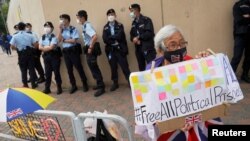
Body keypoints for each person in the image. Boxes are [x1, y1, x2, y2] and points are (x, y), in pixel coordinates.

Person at [135, 25, 223, 141]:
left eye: (182, 43)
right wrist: (173, 122)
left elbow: (207, 96)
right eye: (173, 45)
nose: (179, 48)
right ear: (160, 50)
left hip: (196, 121)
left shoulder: (192, 63)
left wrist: (206, 64)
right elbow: (148, 110)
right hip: (168, 128)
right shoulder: (150, 74)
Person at [76, 10, 105, 97]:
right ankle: (98, 83)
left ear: (82, 17)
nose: (77, 20)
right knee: (92, 68)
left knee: (94, 68)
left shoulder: (87, 26)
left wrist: (91, 47)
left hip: (91, 50)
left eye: (78, 18)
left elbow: (95, 36)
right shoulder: (85, 26)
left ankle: (101, 87)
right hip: (89, 49)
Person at [58, 14, 89, 94]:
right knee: (69, 70)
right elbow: (59, 40)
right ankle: (73, 85)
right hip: (66, 51)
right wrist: (59, 30)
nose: (61, 21)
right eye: (60, 19)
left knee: (79, 67)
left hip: (73, 51)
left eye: (63, 19)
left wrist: (64, 40)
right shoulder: (62, 30)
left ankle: (85, 83)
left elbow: (74, 40)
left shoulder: (72, 29)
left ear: (67, 20)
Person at [102, 9, 131, 91]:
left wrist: (110, 37)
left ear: (115, 15)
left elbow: (120, 36)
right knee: (113, 67)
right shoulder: (105, 27)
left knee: (125, 66)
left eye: (112, 14)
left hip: (120, 49)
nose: (111, 16)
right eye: (109, 15)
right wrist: (113, 38)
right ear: (107, 17)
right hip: (111, 50)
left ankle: (130, 82)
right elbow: (105, 39)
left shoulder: (120, 25)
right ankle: (115, 83)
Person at [9, 22, 38, 88]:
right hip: (30, 54)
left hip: (21, 54)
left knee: (23, 70)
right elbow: (36, 45)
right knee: (31, 69)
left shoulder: (15, 36)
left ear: (18, 28)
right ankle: (33, 84)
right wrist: (31, 48)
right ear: (25, 27)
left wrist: (18, 49)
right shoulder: (30, 35)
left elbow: (12, 46)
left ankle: (25, 84)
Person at [129, 3, 156, 71]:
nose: (130, 13)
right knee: (141, 68)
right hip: (138, 50)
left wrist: (138, 37)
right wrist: (134, 39)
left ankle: (153, 81)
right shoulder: (133, 23)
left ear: (136, 10)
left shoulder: (146, 20)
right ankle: (144, 82)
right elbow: (131, 35)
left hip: (148, 48)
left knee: (152, 68)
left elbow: (149, 33)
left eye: (131, 11)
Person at [39, 22, 62, 95]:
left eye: (48, 26)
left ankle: (59, 87)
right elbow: (39, 47)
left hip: (54, 56)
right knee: (47, 73)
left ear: (52, 28)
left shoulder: (54, 37)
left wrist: (44, 47)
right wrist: (47, 47)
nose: (46, 28)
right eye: (45, 26)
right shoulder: (42, 37)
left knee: (56, 73)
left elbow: (52, 47)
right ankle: (47, 88)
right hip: (46, 57)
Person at [231, 0, 250, 83]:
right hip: (240, 34)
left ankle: (244, 75)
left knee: (249, 57)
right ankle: (230, 76)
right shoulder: (237, 5)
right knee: (237, 56)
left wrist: (246, 17)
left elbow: (243, 19)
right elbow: (238, 19)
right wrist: (245, 18)